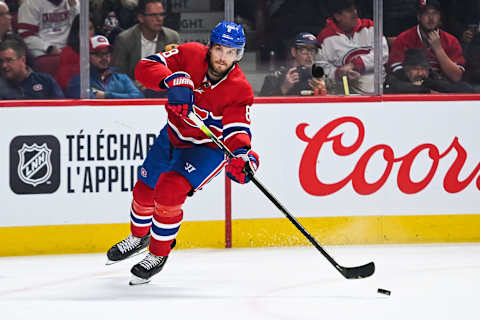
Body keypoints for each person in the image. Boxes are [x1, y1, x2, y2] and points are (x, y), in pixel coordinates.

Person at [106, 21, 259, 285]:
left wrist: (243, 154)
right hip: (173, 136)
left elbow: (237, 129)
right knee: (144, 189)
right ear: (210, 46)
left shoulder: (239, 88)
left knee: (169, 191)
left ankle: (157, 253)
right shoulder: (188, 54)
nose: (223, 57)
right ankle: (139, 237)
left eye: (231, 52)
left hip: (207, 149)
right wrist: (171, 79)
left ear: (239, 55)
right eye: (220, 49)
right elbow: (144, 68)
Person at [315, 0, 389, 95]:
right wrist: (338, 73)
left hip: (379, 91)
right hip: (343, 93)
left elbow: (383, 54)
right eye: (349, 11)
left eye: (355, 9)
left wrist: (354, 64)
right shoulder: (325, 37)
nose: (355, 13)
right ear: (338, 16)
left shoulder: (370, 27)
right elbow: (321, 68)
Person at [388, 0, 466, 85]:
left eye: (435, 13)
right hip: (413, 88)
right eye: (426, 13)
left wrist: (438, 49)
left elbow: (456, 77)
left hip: (443, 90)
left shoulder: (451, 41)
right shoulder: (404, 39)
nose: (431, 18)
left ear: (440, 17)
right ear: (419, 16)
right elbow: (396, 71)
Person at [112, 0, 180, 93]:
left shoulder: (171, 37)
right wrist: (140, 86)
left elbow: (177, 71)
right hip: (132, 93)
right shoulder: (125, 39)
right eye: (153, 15)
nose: (159, 19)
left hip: (163, 92)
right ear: (141, 18)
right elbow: (118, 75)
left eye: (161, 14)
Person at [66, 35, 144, 99]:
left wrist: (105, 95)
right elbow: (90, 100)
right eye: (98, 54)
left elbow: (139, 96)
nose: (104, 58)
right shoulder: (80, 81)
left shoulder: (121, 78)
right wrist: (122, 96)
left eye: (107, 53)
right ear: (87, 56)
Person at [259, 32, 326, 96]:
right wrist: (284, 88)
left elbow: (332, 102)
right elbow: (261, 104)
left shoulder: (319, 78)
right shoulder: (275, 77)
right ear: (293, 52)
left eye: (313, 50)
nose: (309, 55)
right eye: (304, 50)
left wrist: (322, 91)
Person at [384, 48, 472, 93]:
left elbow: (465, 89)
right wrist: (425, 89)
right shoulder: (395, 77)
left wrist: (433, 84)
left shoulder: (431, 78)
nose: (420, 73)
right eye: (415, 69)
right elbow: (395, 88)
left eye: (424, 69)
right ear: (406, 69)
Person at [55, 14, 95, 92]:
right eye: (83, 29)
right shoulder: (68, 52)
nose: (87, 32)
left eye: (90, 28)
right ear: (76, 31)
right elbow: (65, 83)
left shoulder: (100, 49)